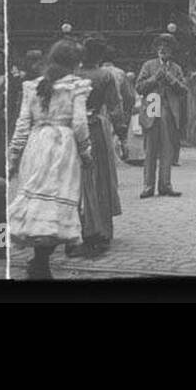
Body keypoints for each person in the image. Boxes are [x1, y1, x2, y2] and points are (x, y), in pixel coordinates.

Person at [8, 39, 94, 279]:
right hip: (62, 146)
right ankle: (41, 262)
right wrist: (86, 151)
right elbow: (79, 123)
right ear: (73, 64)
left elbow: (22, 124)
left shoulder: (33, 86)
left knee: (37, 202)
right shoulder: (76, 86)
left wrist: (14, 154)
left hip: (36, 145)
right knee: (56, 203)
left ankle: (39, 261)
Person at [72, 36, 123, 257]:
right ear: (101, 56)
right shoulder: (105, 75)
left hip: (73, 130)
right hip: (95, 128)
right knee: (99, 178)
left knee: (77, 180)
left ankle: (78, 228)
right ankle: (102, 229)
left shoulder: (73, 75)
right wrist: (121, 132)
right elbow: (115, 107)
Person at [135, 32, 187, 199]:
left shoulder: (176, 69)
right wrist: (154, 79)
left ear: (171, 51)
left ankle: (165, 185)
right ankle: (148, 186)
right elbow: (139, 87)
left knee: (167, 150)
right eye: (160, 47)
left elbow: (184, 90)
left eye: (167, 47)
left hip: (168, 109)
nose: (163, 49)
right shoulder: (148, 66)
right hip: (152, 106)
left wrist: (171, 79)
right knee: (150, 150)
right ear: (157, 49)